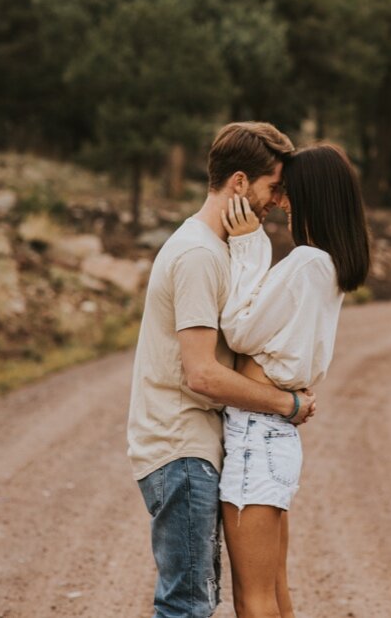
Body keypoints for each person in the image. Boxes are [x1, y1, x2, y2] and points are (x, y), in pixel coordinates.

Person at [127, 122, 316, 618]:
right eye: (273, 187)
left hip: (196, 448)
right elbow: (202, 375)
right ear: (239, 183)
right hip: (180, 448)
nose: (277, 200)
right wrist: (287, 404)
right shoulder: (197, 256)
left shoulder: (221, 249)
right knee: (186, 606)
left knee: (194, 602)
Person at [216, 143, 371, 618]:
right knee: (276, 590)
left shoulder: (307, 262)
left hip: (255, 435)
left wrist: (246, 245)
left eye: (289, 192)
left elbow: (239, 329)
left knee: (254, 596)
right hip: (274, 435)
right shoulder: (329, 266)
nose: (281, 202)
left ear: (312, 195)